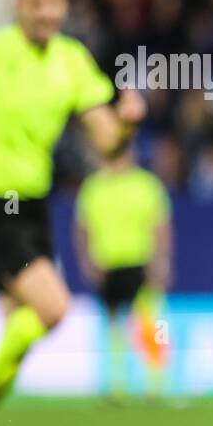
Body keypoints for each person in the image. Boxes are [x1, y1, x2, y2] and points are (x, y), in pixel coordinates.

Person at [0, 0, 145, 426]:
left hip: (32, 207)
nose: (46, 13)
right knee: (54, 307)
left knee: (14, 341)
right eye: (36, 2)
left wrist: (127, 122)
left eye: (55, 3)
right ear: (17, 3)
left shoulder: (72, 60)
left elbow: (107, 143)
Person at [74, 146, 173, 398]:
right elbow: (82, 227)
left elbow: (160, 224)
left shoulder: (145, 184)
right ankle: (118, 387)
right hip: (108, 264)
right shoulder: (94, 187)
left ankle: (156, 385)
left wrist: (161, 260)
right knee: (115, 328)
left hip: (141, 261)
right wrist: (87, 260)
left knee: (151, 325)